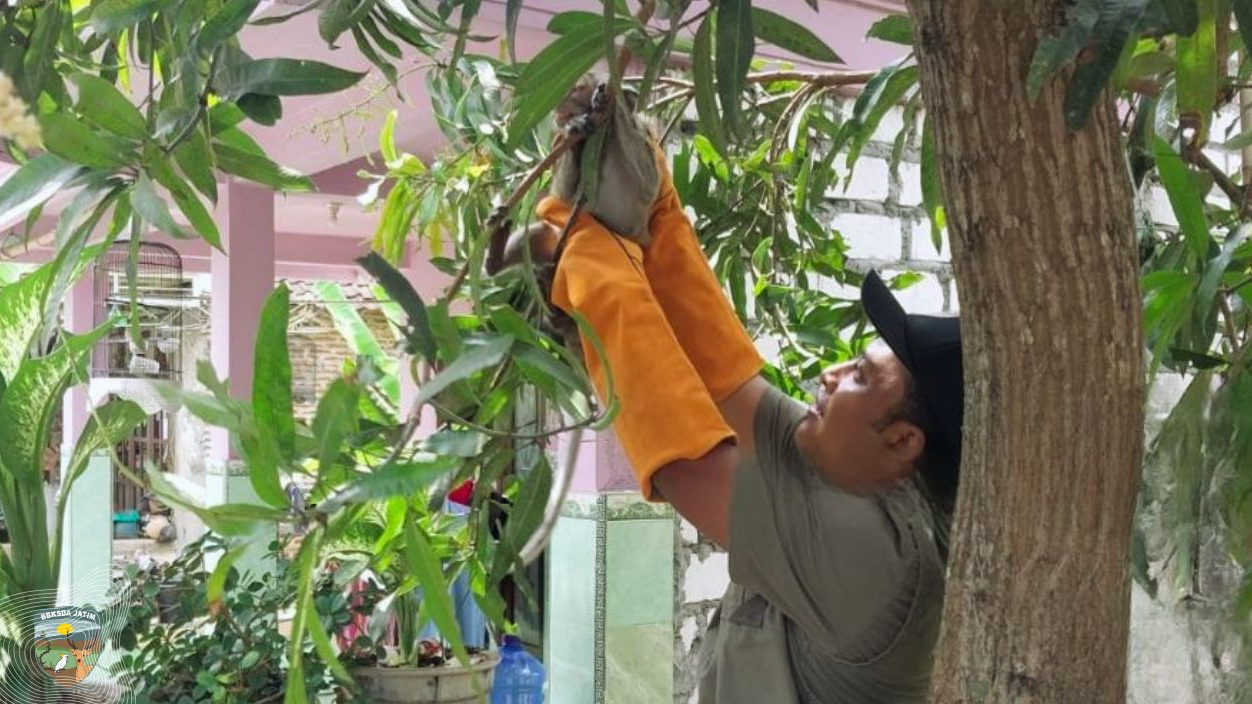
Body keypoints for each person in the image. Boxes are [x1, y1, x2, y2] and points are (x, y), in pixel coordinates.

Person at [523, 125, 963, 703]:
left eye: (859, 377)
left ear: (903, 442)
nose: (829, 375)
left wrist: (581, 255)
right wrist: (657, 208)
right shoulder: (848, 466)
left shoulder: (878, 560)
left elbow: (689, 466)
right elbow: (728, 375)